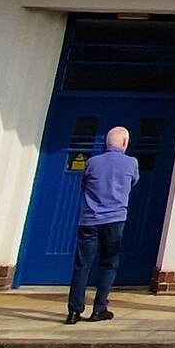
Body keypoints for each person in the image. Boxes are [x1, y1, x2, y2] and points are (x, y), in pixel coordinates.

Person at [66, 127, 138, 325]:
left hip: (89, 219)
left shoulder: (92, 162)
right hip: (114, 219)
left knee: (82, 265)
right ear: (125, 143)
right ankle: (99, 309)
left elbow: (83, 184)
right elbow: (133, 182)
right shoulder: (131, 163)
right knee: (108, 264)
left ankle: (74, 311)